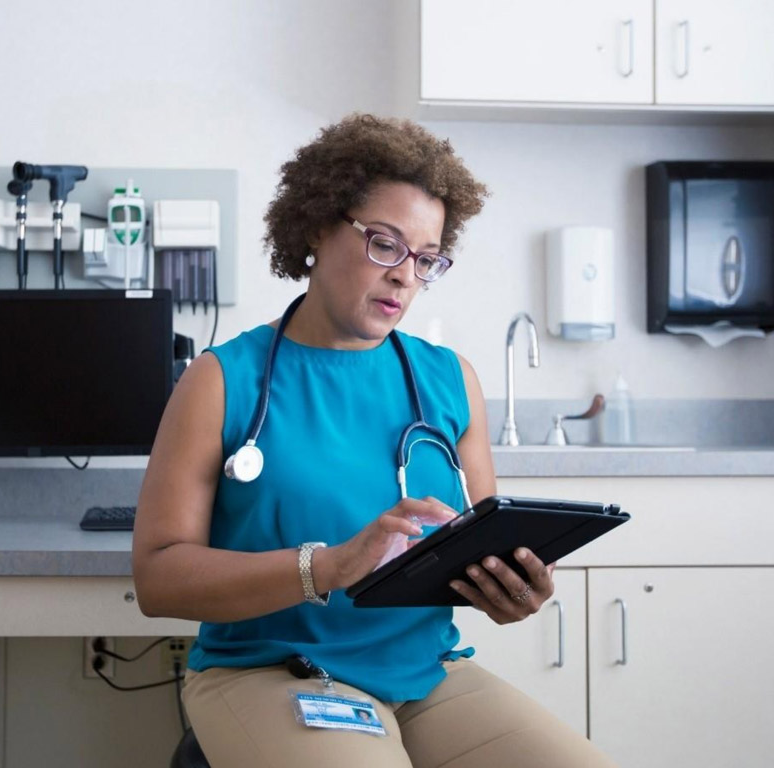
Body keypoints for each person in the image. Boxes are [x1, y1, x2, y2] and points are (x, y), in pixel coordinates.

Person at [132, 114, 616, 768]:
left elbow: (477, 542)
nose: (404, 276)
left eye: (426, 258)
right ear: (316, 226)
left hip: (424, 673)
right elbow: (159, 578)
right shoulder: (221, 382)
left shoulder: (449, 381)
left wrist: (513, 590)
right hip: (270, 672)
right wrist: (325, 567)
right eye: (385, 245)